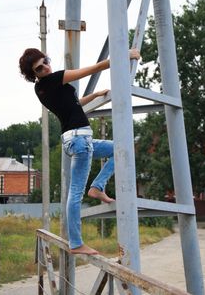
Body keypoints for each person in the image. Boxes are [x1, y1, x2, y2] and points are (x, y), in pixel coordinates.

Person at [19, 48, 140, 255]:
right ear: (34, 75)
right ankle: (76, 243)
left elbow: (73, 105)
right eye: (40, 67)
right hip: (80, 139)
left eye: (46, 61)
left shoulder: (42, 89)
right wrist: (124, 54)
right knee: (75, 193)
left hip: (76, 139)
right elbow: (95, 68)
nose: (46, 67)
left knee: (120, 149)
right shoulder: (55, 79)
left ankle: (98, 187)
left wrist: (94, 94)